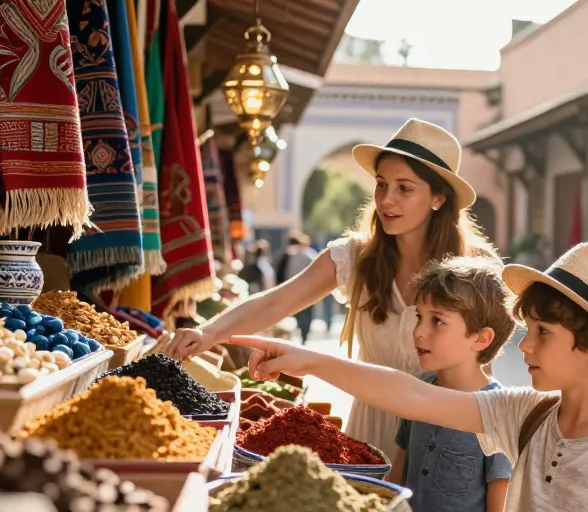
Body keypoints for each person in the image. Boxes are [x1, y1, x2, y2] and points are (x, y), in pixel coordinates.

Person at [229, 243, 588, 511]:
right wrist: (308, 359)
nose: (524, 345)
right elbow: (412, 397)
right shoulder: (528, 414)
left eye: (543, 332)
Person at [166, 118, 498, 459]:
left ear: (438, 198)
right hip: (372, 429)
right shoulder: (354, 257)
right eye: (382, 185)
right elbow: (275, 303)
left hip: (446, 433)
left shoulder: (475, 268)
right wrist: (207, 333)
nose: (387, 200)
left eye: (405, 188)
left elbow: (485, 368)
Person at [386, 255, 514, 511]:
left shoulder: (500, 414)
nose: (419, 332)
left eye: (437, 321)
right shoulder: (418, 389)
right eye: (419, 317)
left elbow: (498, 505)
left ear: (481, 339)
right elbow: (396, 481)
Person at [275, 233, 319, 343]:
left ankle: (297, 333)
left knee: (296, 312)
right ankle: (304, 335)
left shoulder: (290, 256)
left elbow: (284, 273)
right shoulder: (311, 255)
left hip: (293, 289)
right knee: (306, 314)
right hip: (309, 291)